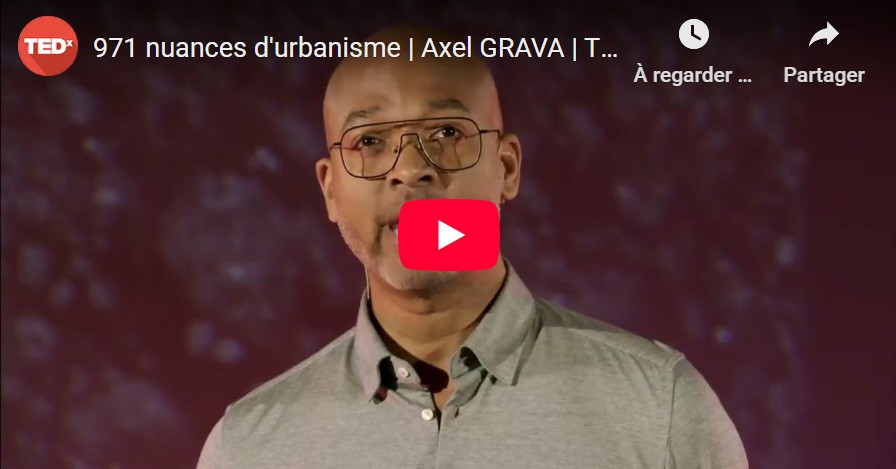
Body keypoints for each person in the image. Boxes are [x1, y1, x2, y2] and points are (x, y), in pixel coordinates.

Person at [197, 24, 748, 469]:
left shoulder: (657, 403)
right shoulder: (249, 446)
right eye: (370, 141)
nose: (410, 170)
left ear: (506, 168)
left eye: (446, 134)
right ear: (330, 190)